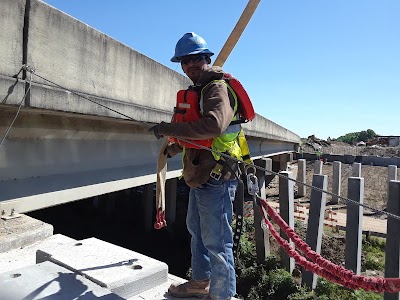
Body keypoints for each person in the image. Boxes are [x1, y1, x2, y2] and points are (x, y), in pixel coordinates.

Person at [148, 32, 242, 300]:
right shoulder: (199, 91)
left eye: (195, 59)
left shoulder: (216, 88)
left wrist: (167, 128)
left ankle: (222, 295)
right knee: (198, 234)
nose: (189, 65)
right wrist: (174, 146)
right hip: (199, 176)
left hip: (217, 177)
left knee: (217, 242)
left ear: (207, 58)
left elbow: (213, 125)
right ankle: (200, 284)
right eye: (184, 61)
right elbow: (201, 138)